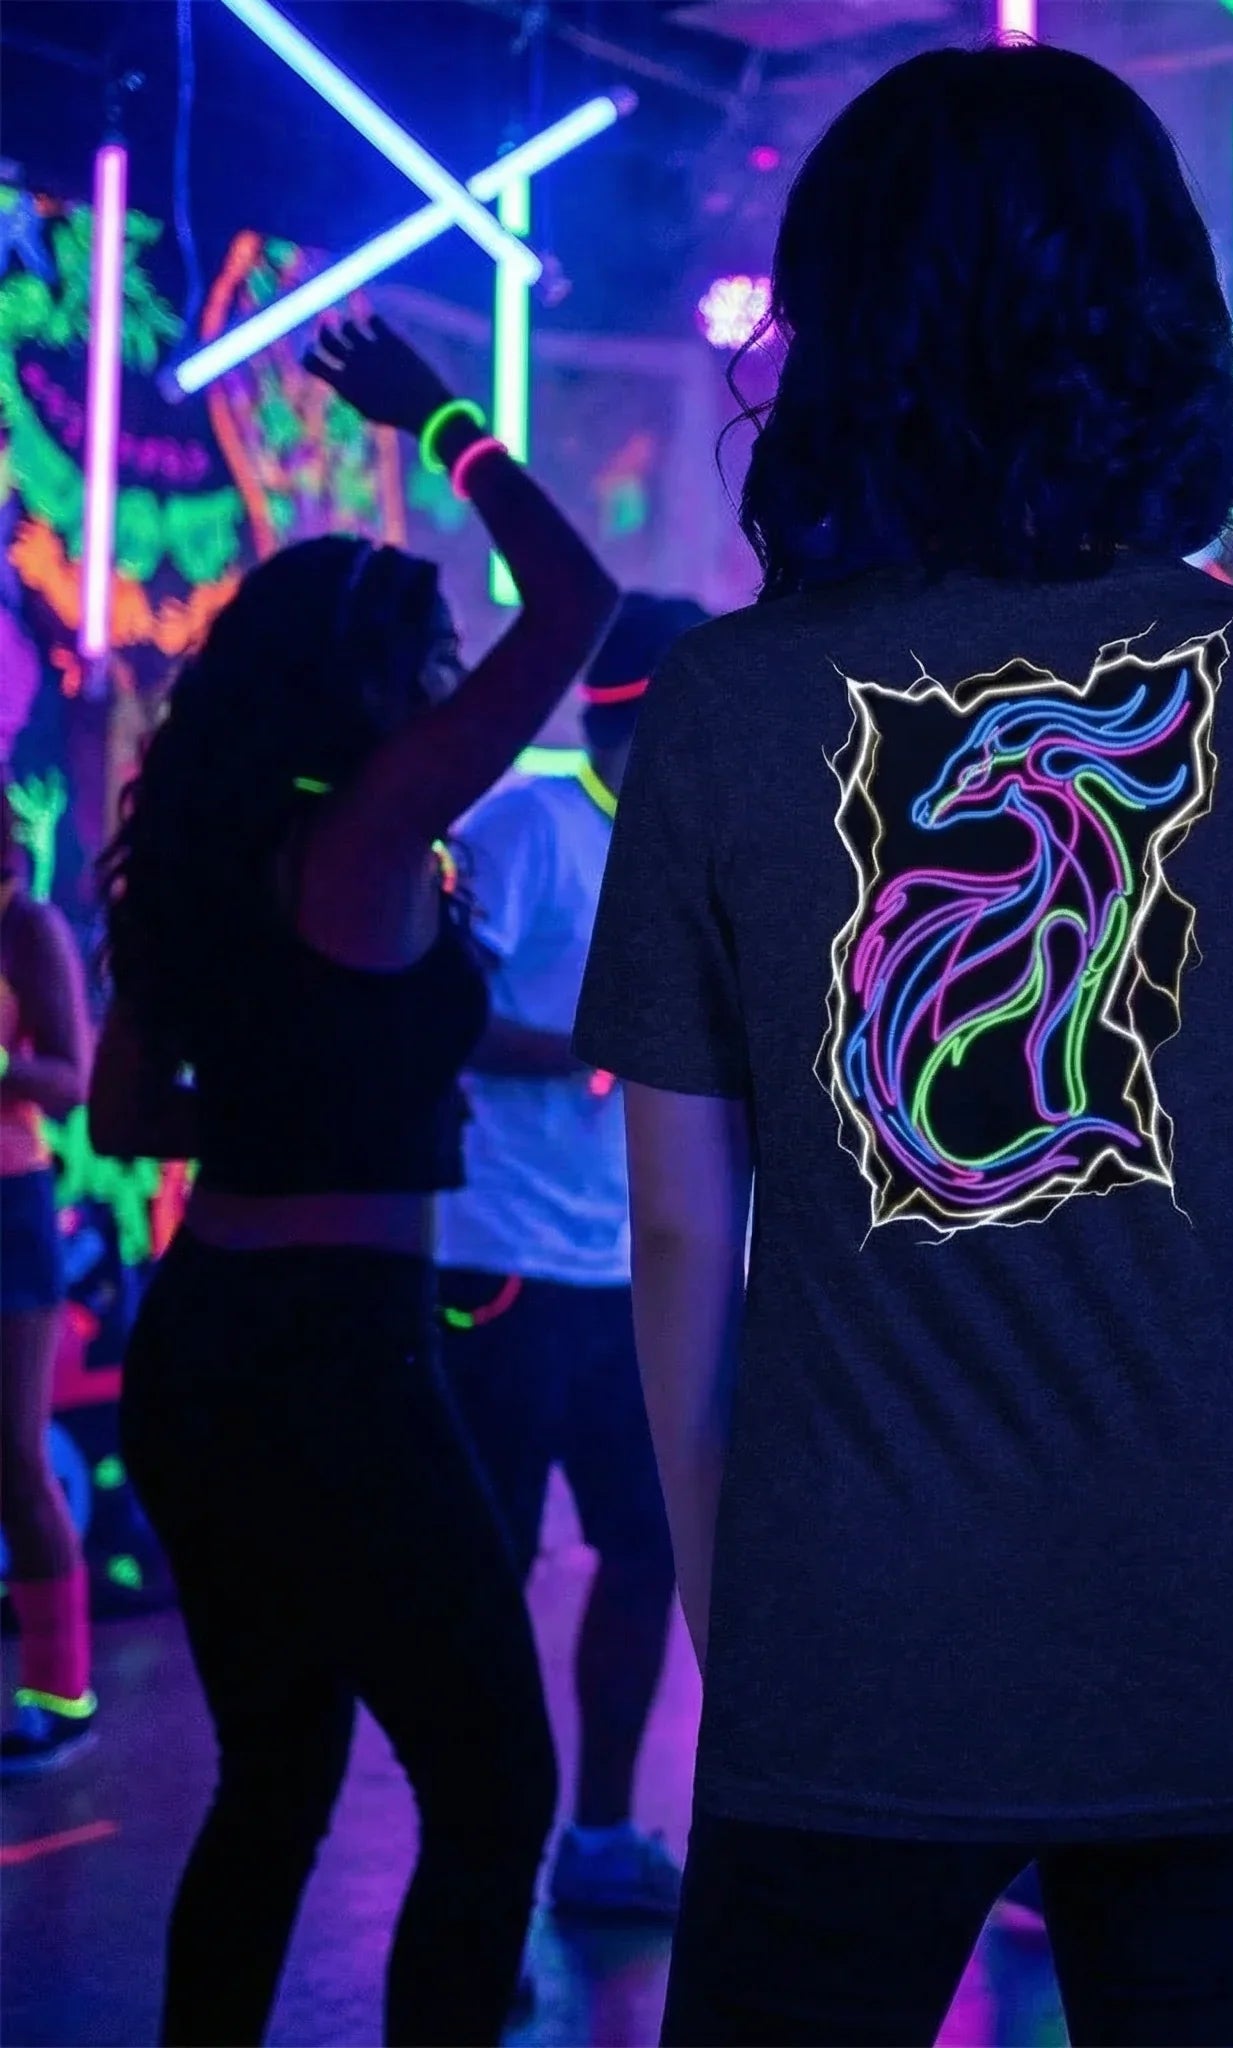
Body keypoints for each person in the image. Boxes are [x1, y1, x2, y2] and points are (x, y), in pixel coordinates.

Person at [574, 44, 1233, 2048]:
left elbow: (683, 1242)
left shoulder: (720, 706)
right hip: (1211, 1634)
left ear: (842, 324)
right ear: (1154, 319)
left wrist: (738, 1600)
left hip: (846, 1638)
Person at [90, 317, 617, 2046]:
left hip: (206, 1342)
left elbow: (128, 1112)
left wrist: (317, 1112)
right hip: (335, 1356)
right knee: (490, 1784)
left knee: (273, 1783)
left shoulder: (193, 856)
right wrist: (445, 424)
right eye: (433, 662)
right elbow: (578, 603)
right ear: (372, 685)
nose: (458, 685)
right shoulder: (375, 824)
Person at [437, 592, 707, 1921]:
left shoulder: (698, 857)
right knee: (484, 1567)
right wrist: (600, 1052)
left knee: (648, 1549)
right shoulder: (527, 826)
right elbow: (430, 1010)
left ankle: (597, 1838)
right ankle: (474, 1860)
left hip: (630, 1276)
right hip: (496, 1262)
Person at [0, 812, 94, 1774]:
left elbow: (72, 1079)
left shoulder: (24, 925)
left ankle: (61, 1694)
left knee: (15, 1458)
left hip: (6, 1204)